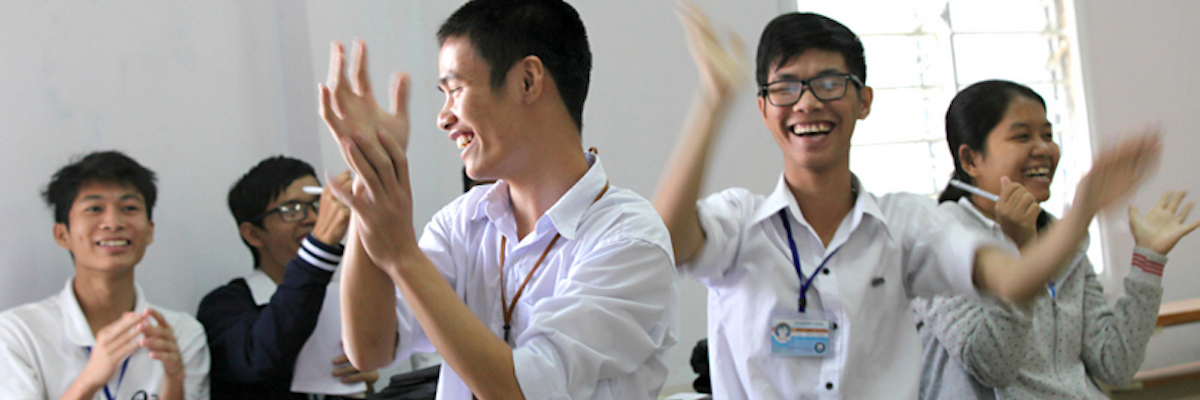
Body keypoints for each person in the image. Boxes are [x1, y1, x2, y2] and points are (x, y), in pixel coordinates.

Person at [652, 4, 1162, 399]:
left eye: (829, 83)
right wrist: (713, 99)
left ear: (864, 100)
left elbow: (1013, 280)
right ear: (764, 107)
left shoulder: (906, 223)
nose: (807, 102)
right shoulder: (739, 222)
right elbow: (666, 243)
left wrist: (1082, 211)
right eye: (786, 87)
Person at [318, 0, 678, 399]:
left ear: (528, 80)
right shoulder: (462, 221)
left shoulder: (628, 240)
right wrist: (372, 173)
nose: (443, 118)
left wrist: (402, 256)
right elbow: (370, 348)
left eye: (455, 89)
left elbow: (520, 390)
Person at [912, 80, 1199, 399]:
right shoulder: (938, 238)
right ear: (970, 160)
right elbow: (992, 365)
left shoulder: (1062, 238)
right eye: (1022, 136)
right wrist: (1025, 255)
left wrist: (1148, 260)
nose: (1044, 149)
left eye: (1048, 135)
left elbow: (1114, 364)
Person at [0, 150, 210, 399]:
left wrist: (174, 381)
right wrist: (90, 379)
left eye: (129, 207)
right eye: (94, 208)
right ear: (62, 235)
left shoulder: (181, 333)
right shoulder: (18, 333)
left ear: (150, 231)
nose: (113, 222)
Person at [197, 156, 375, 399]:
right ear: (253, 235)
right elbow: (260, 358)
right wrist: (319, 248)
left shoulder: (341, 297)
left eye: (317, 205)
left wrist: (363, 382)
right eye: (291, 210)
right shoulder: (225, 306)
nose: (313, 218)